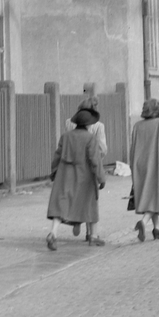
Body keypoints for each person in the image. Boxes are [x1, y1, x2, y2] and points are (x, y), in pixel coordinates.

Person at [46, 108, 106, 249]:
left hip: (65, 175)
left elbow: (57, 155)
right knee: (90, 204)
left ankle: (53, 233)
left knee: (61, 205)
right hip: (84, 176)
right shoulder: (90, 138)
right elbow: (95, 160)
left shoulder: (65, 136)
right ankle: (93, 236)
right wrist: (101, 178)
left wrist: (54, 171)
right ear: (88, 125)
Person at [129, 97, 159, 242]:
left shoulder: (137, 126)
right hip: (156, 164)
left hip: (139, 164)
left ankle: (157, 228)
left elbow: (133, 147)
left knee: (150, 196)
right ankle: (144, 222)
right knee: (156, 195)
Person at [66, 96, 107, 240]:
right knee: (91, 199)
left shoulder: (69, 123)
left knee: (76, 197)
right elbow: (103, 149)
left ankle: (77, 221)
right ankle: (91, 233)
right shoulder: (98, 126)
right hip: (90, 168)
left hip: (72, 168)